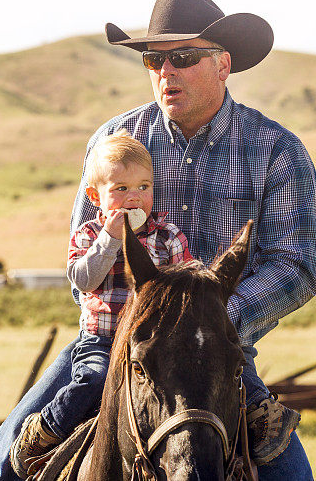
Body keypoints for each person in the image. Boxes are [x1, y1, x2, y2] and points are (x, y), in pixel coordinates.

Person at [0, 0, 316, 481]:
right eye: (154, 59)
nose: (165, 72)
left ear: (223, 64)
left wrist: (207, 321)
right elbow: (82, 258)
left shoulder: (277, 151)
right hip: (115, 343)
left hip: (218, 351)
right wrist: (142, 324)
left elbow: (295, 265)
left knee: (292, 477)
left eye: (183, 57)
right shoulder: (113, 144)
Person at [10, 130, 194, 477]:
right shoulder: (90, 235)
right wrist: (110, 239)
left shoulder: (168, 236)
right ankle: (45, 430)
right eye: (121, 189)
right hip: (103, 341)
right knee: (92, 380)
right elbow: (83, 280)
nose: (134, 198)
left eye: (143, 187)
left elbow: (182, 291)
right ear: (95, 196)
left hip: (153, 347)